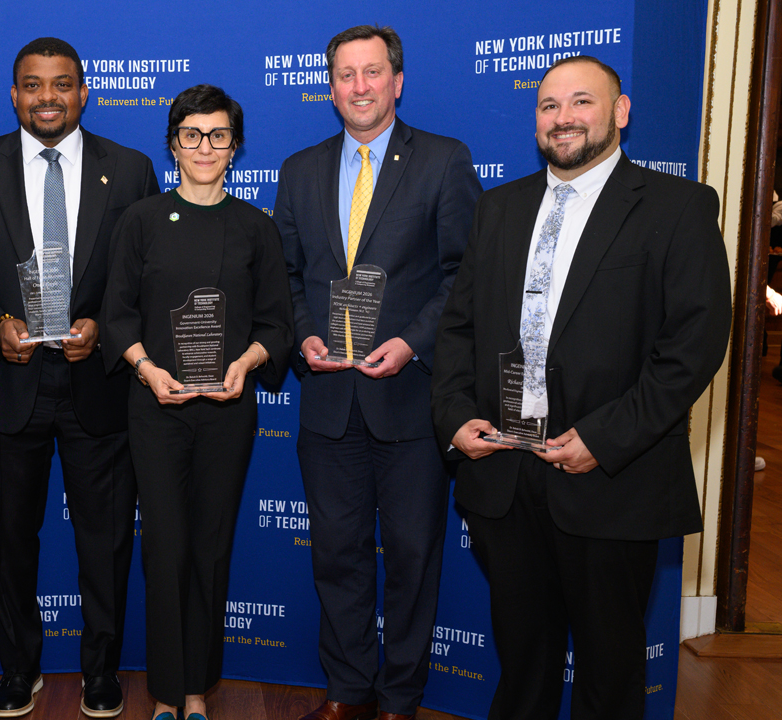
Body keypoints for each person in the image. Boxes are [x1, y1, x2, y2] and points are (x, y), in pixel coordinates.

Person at [432, 56, 731, 719]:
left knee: (609, 672)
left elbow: (693, 346)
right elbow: (457, 328)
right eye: (549, 106)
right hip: (505, 476)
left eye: (581, 102)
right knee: (523, 665)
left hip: (610, 479)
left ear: (620, 112)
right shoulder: (499, 207)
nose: (563, 117)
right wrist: (453, 415)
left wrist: (602, 438)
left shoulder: (677, 206)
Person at [0, 37, 158, 718]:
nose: (47, 97)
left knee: (107, 541)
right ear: (13, 95)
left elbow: (146, 275)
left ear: (84, 93)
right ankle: (19, 667)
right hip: (6, 384)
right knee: (7, 540)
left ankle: (101, 670)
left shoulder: (130, 169)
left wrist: (105, 328)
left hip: (100, 384)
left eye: (62, 84)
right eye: (33, 85)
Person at [273, 25, 481, 720]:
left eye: (371, 72)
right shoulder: (299, 170)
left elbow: (463, 276)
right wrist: (303, 334)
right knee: (336, 554)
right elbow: (287, 277)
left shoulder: (444, 161)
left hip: (411, 402)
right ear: (330, 87)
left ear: (397, 81)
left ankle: (399, 698)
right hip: (328, 400)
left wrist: (412, 343)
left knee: (414, 557)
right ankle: (347, 688)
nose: (359, 87)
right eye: (345, 75)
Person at [100, 83, 293, 720]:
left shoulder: (257, 227)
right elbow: (117, 314)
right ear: (173, 145)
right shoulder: (141, 220)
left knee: (211, 547)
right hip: (156, 408)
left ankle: (196, 691)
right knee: (166, 546)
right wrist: (146, 369)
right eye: (191, 134)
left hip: (228, 412)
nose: (204, 146)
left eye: (217, 135)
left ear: (235, 147)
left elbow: (276, 323)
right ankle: (164, 692)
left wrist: (247, 362)